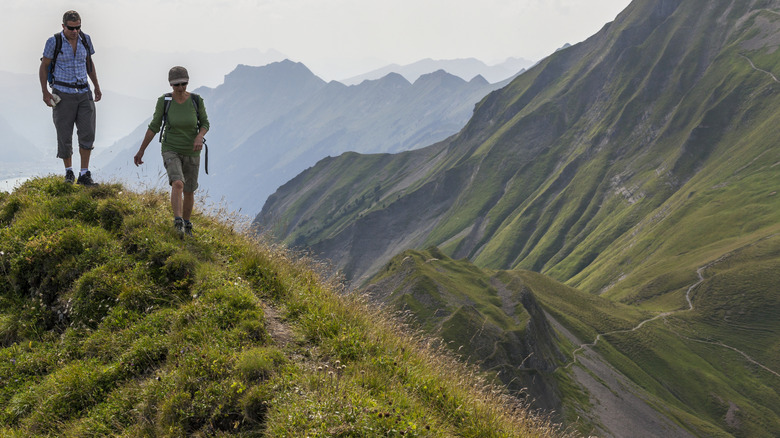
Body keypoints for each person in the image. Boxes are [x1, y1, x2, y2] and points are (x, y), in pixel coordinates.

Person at [134, 66, 210, 237]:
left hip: (192, 151)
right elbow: (154, 126)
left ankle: (187, 224)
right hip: (171, 148)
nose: (181, 88)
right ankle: (178, 223)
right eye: (177, 85)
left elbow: (205, 123)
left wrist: (199, 137)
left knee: (189, 190)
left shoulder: (196, 101)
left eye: (184, 84)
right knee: (178, 183)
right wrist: (141, 151)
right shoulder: (165, 101)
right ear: (171, 85)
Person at [39, 10, 102, 186]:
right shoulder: (54, 41)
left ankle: (84, 174)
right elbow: (44, 66)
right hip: (62, 93)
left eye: (78, 27)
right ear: (63, 26)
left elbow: (89, 63)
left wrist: (97, 86)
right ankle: (68, 173)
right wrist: (45, 92)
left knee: (87, 132)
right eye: (71, 28)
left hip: (84, 92)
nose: (75, 31)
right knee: (64, 134)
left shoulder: (85, 39)